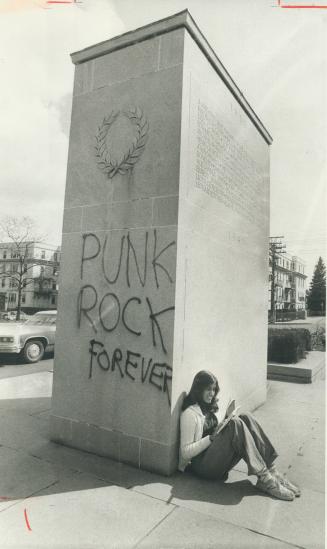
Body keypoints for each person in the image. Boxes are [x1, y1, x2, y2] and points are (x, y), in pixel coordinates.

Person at [179, 370, 301, 501]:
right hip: (202, 467)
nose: (212, 393)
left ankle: (272, 471)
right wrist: (211, 438)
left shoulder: (207, 407)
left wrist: (223, 424)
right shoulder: (189, 414)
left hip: (213, 458)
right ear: (198, 389)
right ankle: (265, 479)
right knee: (235, 423)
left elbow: (211, 433)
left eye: (214, 389)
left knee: (245, 417)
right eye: (208, 389)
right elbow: (185, 452)